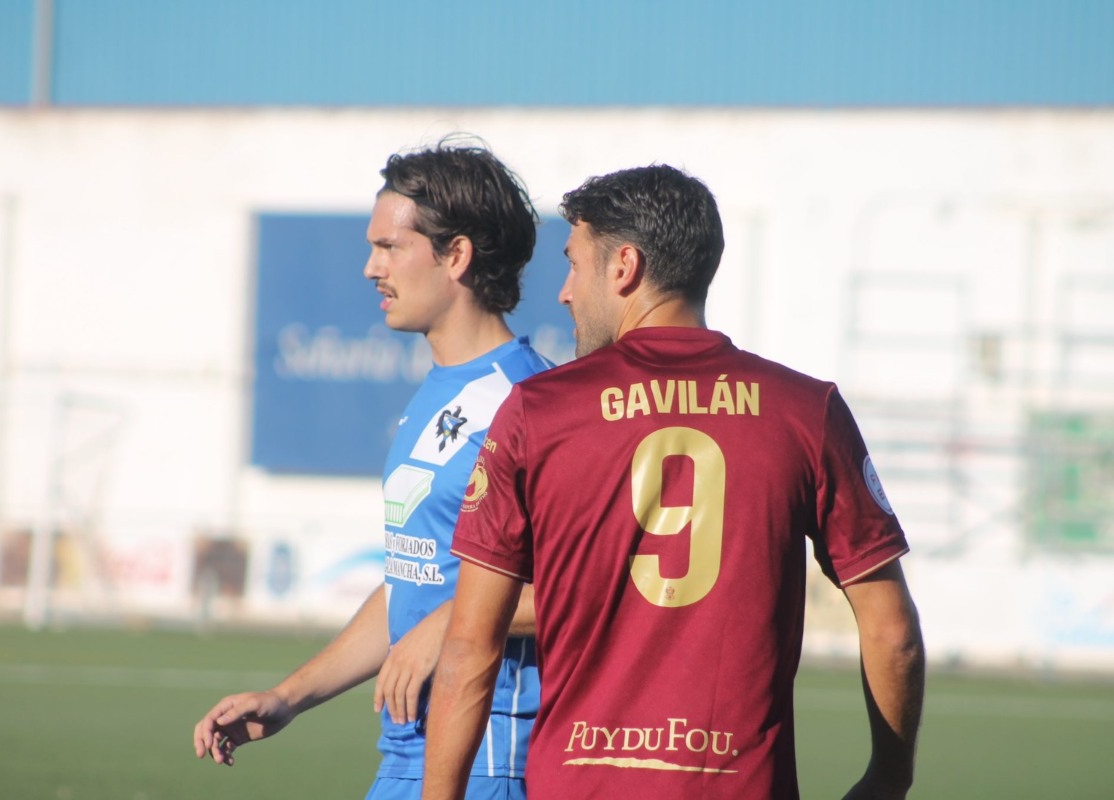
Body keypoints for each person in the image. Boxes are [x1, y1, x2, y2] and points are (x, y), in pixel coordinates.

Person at [423, 165, 925, 800]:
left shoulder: (537, 412)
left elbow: (470, 648)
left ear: (624, 266)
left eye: (574, 264)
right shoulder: (806, 411)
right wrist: (888, 777)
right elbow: (892, 632)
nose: (565, 292)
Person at [193, 140, 551, 800]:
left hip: (489, 759)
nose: (369, 267)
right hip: (405, 752)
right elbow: (409, 583)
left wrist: (447, 624)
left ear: (457, 257)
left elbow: (584, 588)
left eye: (389, 247)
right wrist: (288, 697)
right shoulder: (433, 396)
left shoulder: (531, 401)